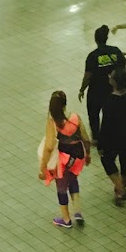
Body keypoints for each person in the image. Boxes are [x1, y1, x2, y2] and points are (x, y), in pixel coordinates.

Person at [39, 90, 91, 230]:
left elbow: (49, 147)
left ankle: (66, 219)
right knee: (73, 179)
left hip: (63, 161)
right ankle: (78, 211)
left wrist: (43, 167)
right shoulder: (75, 117)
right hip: (77, 157)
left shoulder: (53, 123)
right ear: (65, 104)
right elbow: (86, 138)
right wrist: (88, 154)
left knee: (61, 188)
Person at [97, 67, 126, 205]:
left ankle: (120, 189)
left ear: (114, 82)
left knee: (107, 159)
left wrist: (100, 143)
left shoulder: (109, 100)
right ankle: (120, 191)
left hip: (113, 135)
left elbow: (105, 125)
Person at [80, 24, 126, 143]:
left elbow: (88, 77)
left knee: (94, 114)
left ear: (96, 39)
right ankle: (111, 134)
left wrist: (82, 89)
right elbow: (123, 67)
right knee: (111, 113)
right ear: (106, 38)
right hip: (112, 90)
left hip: (96, 91)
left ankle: (96, 137)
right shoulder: (115, 51)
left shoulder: (93, 56)